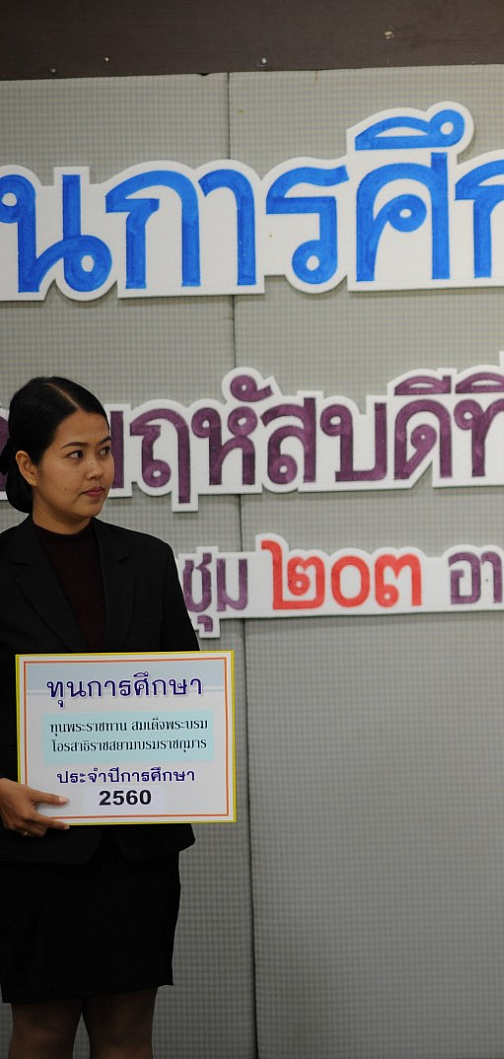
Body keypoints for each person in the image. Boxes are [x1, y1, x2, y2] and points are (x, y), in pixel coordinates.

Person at [0, 377, 199, 1059]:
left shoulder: (148, 561)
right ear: (28, 466)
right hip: (34, 845)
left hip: (136, 850)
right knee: (42, 1032)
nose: (97, 470)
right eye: (76, 454)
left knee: (127, 1034)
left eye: (106, 451)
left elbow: (183, 694)